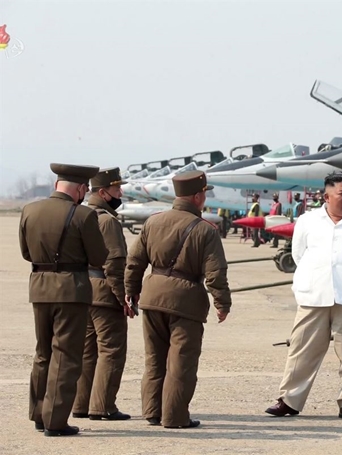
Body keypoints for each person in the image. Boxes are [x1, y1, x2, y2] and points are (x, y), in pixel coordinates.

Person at [265, 171, 342, 421]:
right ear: (326, 196)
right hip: (314, 294)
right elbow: (299, 255)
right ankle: (289, 400)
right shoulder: (308, 221)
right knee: (301, 349)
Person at [125, 170, 232, 429]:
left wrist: (131, 290)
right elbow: (215, 272)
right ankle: (174, 417)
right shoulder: (205, 230)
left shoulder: (153, 222)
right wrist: (222, 303)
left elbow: (135, 261)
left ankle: (152, 411)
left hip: (152, 297)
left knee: (154, 359)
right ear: (197, 196)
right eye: (204, 193)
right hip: (185, 302)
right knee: (181, 362)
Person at [19, 163, 108, 436]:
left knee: (43, 351)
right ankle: (55, 421)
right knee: (66, 355)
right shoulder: (82, 215)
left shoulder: (29, 210)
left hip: (40, 287)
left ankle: (39, 413)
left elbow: (25, 252)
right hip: (71, 289)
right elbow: (99, 257)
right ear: (81, 188)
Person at [73, 167, 134, 422]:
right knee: (111, 350)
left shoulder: (80, 215)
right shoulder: (107, 221)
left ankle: (81, 404)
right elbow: (115, 264)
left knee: (86, 352)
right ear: (103, 192)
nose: (120, 193)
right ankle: (103, 406)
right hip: (104, 293)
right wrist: (124, 299)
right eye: (116, 189)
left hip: (82, 290)